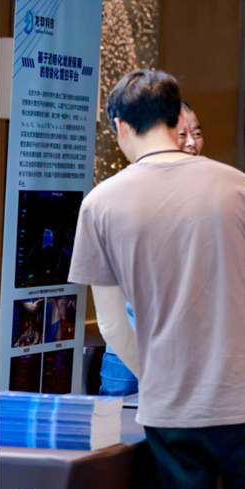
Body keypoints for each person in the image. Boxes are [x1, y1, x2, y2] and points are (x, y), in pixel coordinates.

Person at [68, 69, 245, 489]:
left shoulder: (99, 204)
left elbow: (113, 325)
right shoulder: (240, 187)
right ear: (178, 119)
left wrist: (158, 374)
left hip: (170, 407)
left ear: (119, 126)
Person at [98, 101, 204, 397]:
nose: (192, 143)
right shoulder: (123, 194)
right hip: (127, 350)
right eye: (181, 134)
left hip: (188, 352)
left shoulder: (211, 196)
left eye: (197, 133)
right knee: (116, 425)